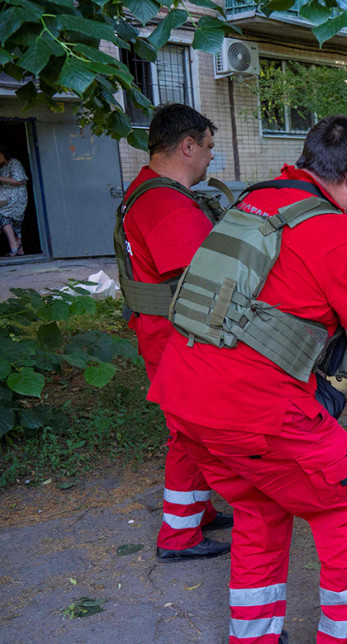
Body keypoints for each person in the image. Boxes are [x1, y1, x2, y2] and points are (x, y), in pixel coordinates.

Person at [148, 115, 347, 644]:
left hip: (184, 395)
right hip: (253, 411)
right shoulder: (336, 234)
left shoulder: (255, 202)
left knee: (261, 510)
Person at [115, 103, 233, 562]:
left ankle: (196, 514)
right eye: (207, 148)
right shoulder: (167, 204)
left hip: (162, 333)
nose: (209, 159)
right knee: (191, 434)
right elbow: (204, 278)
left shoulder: (145, 191)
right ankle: (179, 537)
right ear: (187, 146)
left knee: (189, 430)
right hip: (179, 339)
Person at [0, 144, 29, 257]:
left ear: (3, 153)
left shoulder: (14, 163)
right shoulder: (3, 166)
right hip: (7, 198)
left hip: (17, 197)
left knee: (3, 216)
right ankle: (19, 248)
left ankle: (14, 246)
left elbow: (19, 180)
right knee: (15, 223)